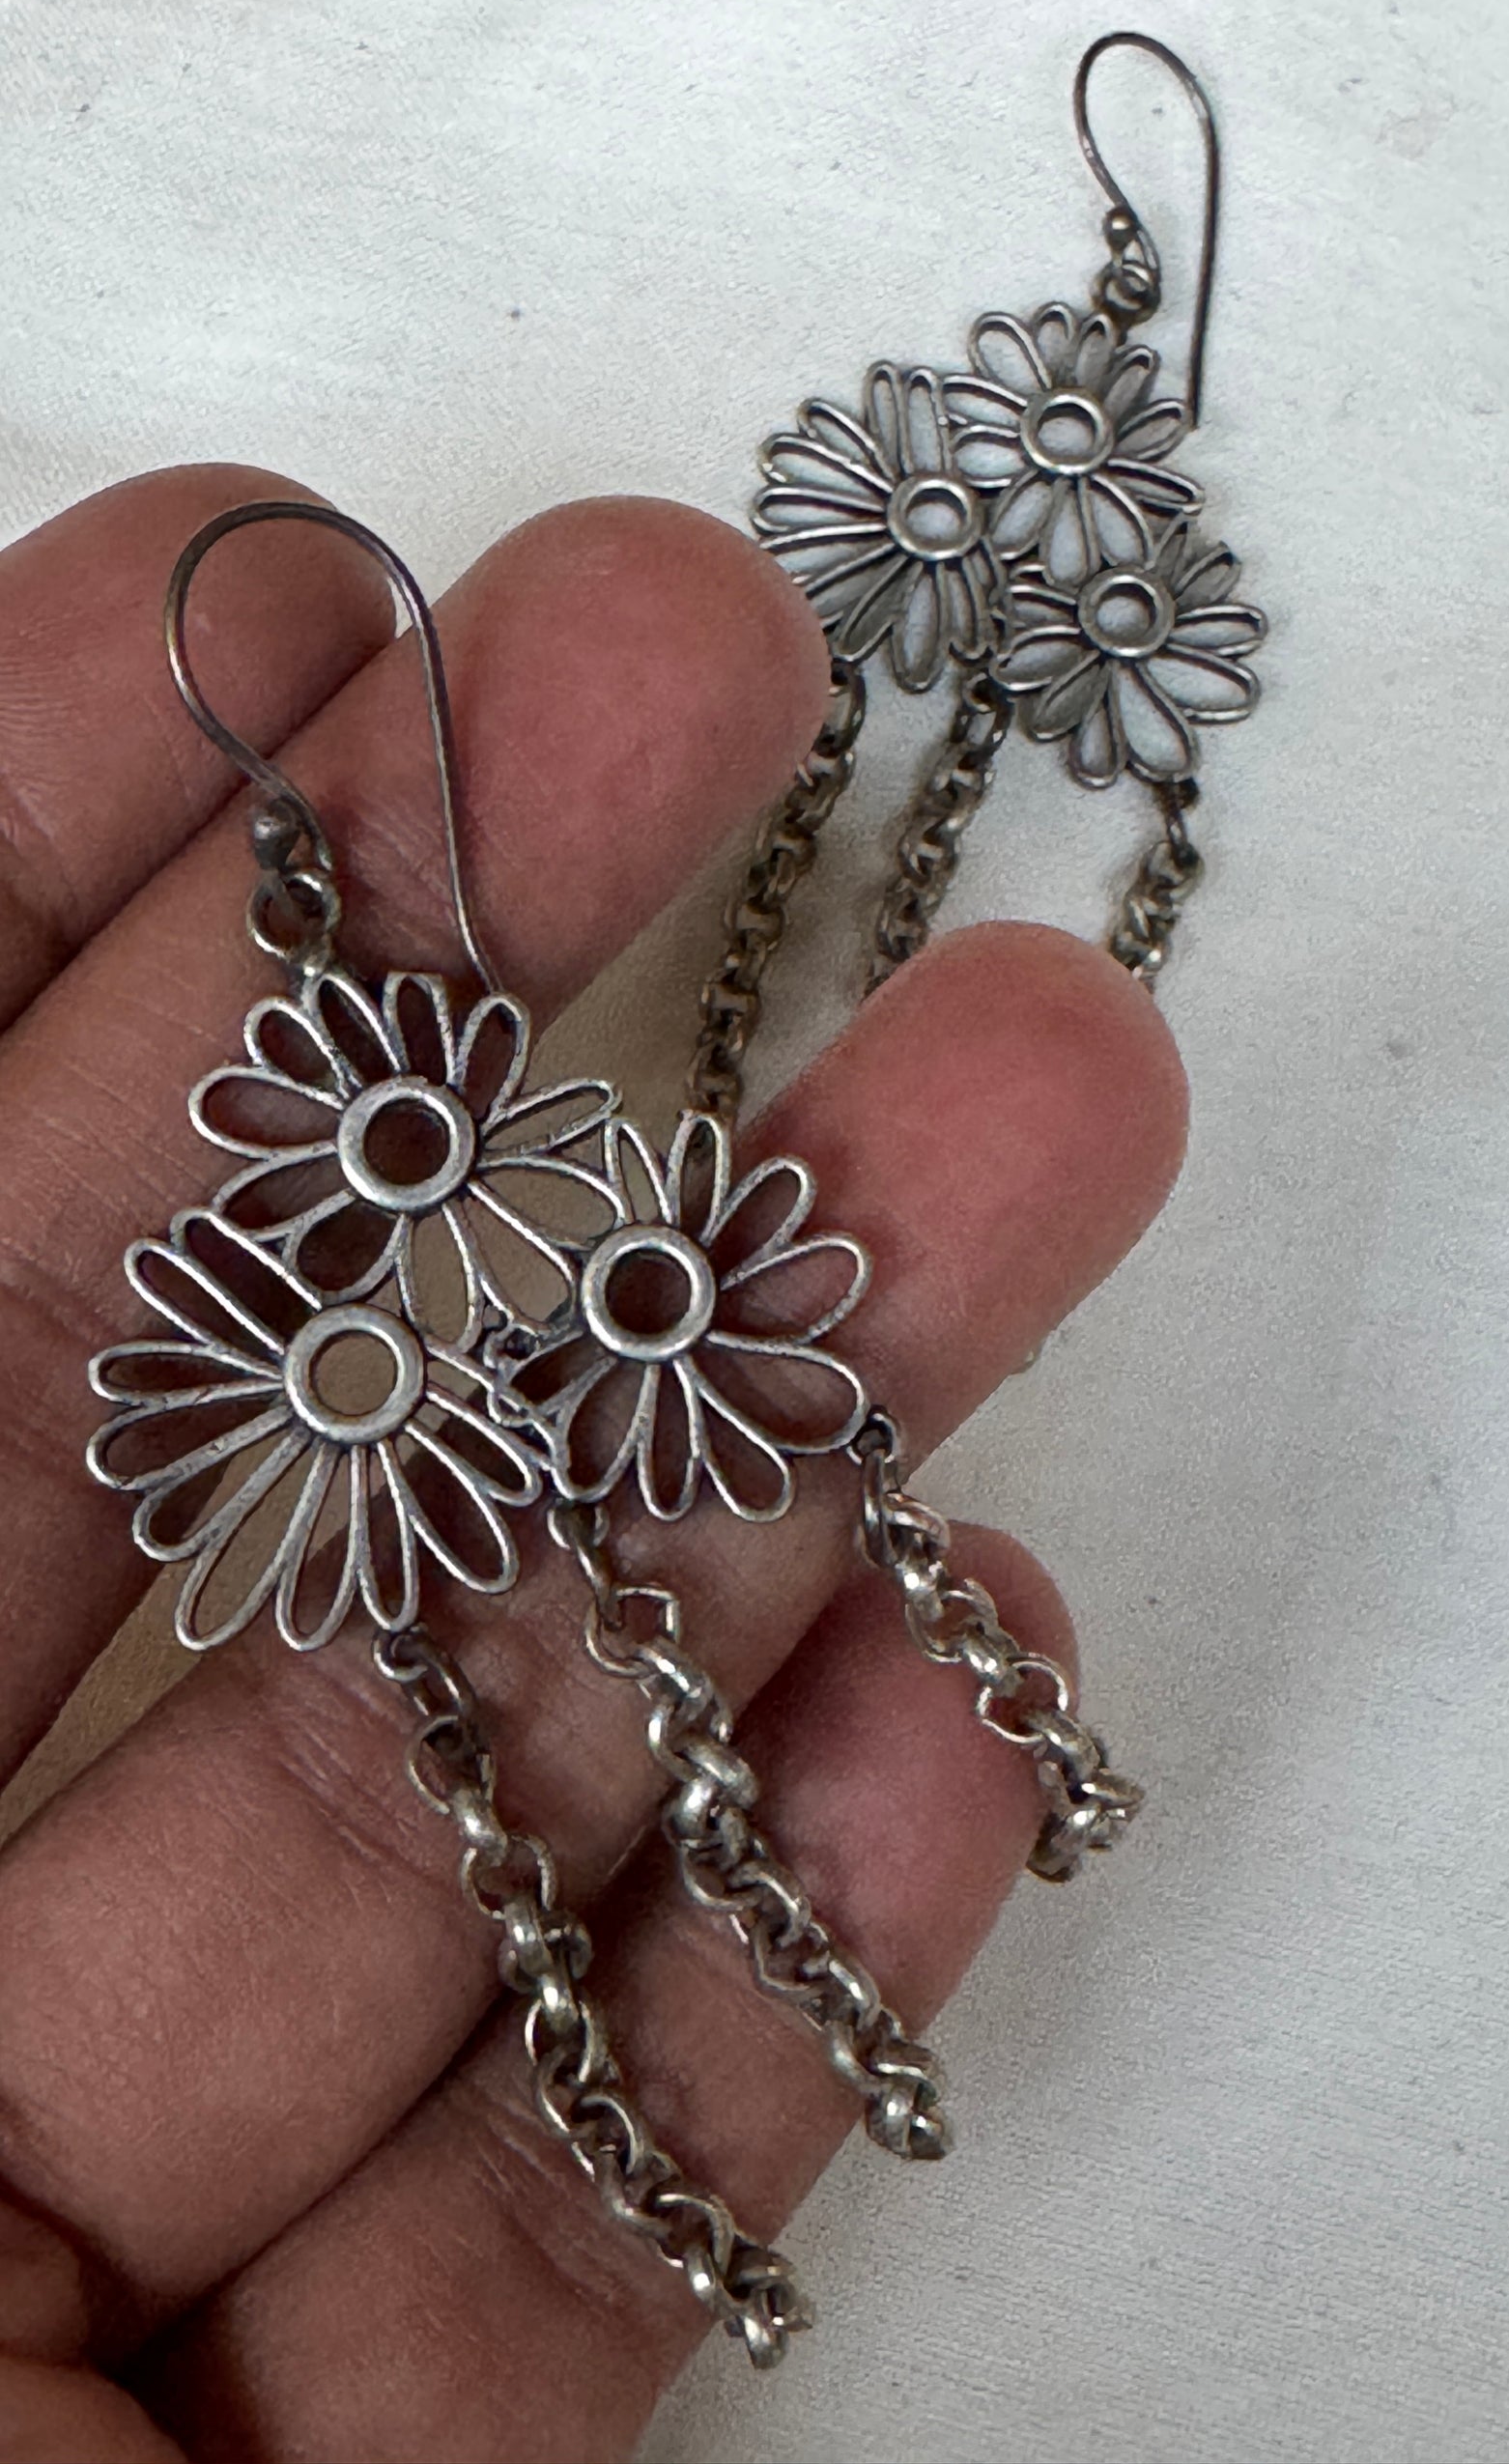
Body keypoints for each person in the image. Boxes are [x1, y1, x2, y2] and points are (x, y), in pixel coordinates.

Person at [0, 466, 1185, 2461]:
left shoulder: (509, 1190)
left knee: (557, 1707)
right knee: (482, 1745)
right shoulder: (318, 1260)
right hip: (378, 1423)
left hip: (566, 1357)